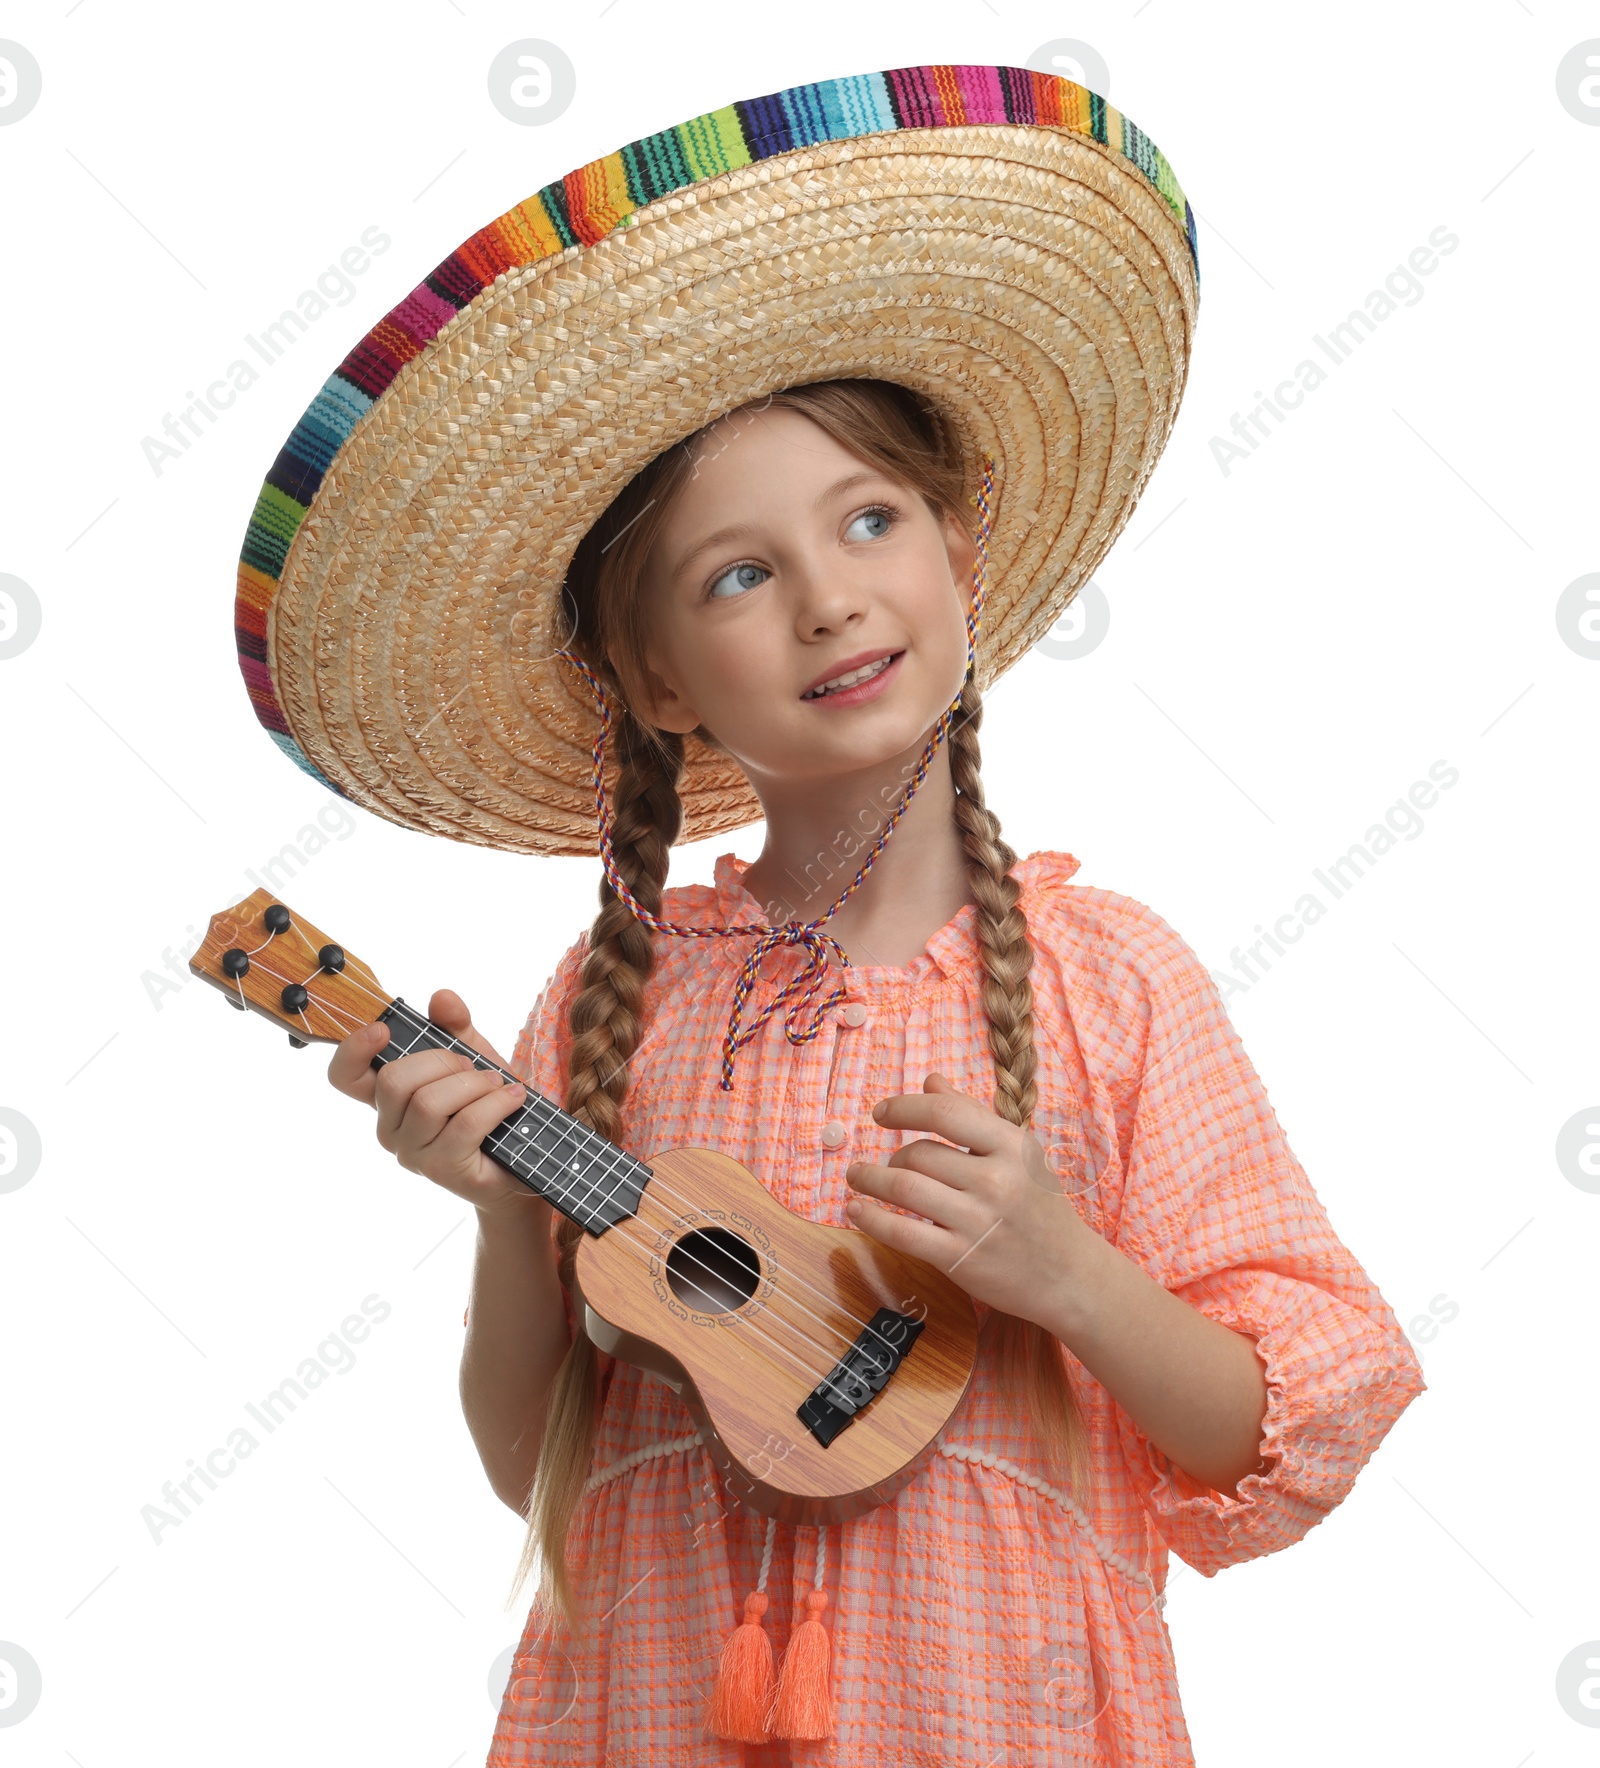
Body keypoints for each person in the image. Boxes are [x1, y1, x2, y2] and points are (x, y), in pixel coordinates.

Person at [244, 65, 1425, 1766]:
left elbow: (1295, 1424)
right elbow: (549, 1472)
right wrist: (506, 1219)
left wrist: (1069, 1276)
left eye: (870, 520)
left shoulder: (1117, 981)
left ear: (958, 547)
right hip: (648, 1711)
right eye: (738, 574)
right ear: (655, 677)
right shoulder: (614, 995)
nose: (828, 597)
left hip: (988, 1713)